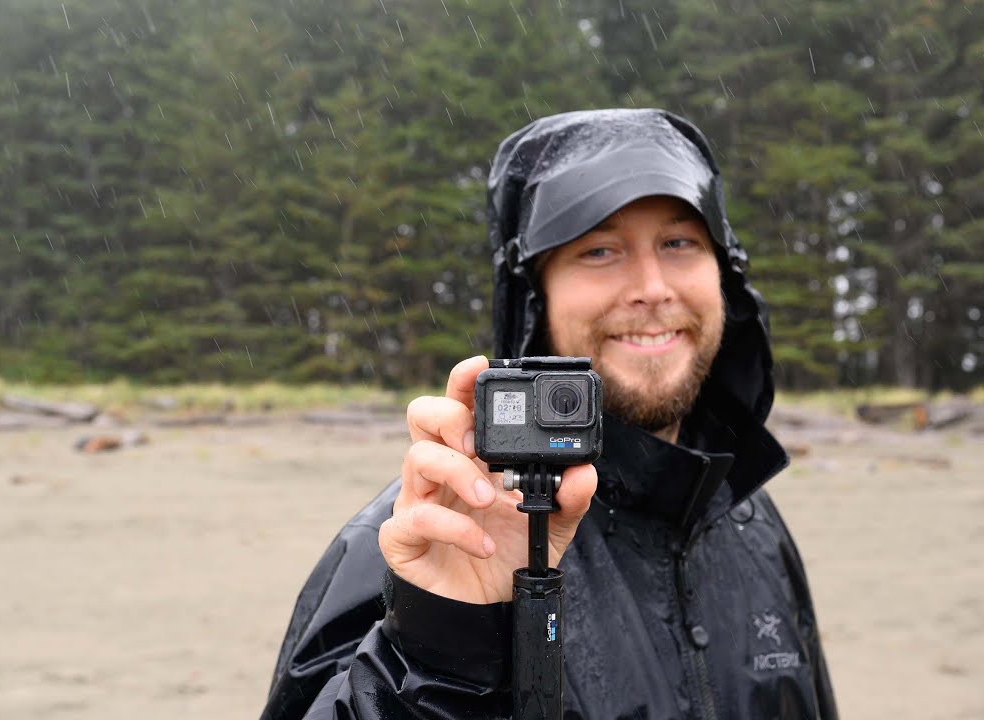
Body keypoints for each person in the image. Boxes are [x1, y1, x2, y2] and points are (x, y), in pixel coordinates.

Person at [259, 109, 837, 719]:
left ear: (727, 275)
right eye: (599, 249)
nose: (652, 286)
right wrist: (440, 649)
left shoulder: (748, 519)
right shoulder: (427, 538)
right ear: (536, 300)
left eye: (679, 243)